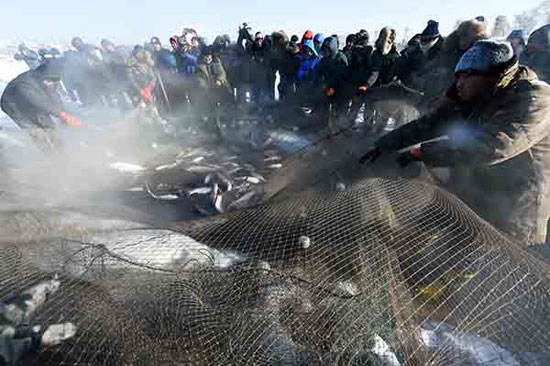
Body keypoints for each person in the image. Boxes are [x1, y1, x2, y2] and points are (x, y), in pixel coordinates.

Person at [360, 40, 550, 246]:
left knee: (479, 261)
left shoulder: (534, 98)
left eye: (466, 76)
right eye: (458, 76)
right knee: (430, 234)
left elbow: (493, 146)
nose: (458, 83)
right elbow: (431, 122)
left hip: (514, 204)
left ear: (491, 74)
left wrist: (422, 153)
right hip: (478, 187)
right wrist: (385, 144)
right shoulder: (476, 94)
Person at [0, 61, 83, 150]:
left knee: (49, 125)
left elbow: (53, 95)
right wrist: (62, 115)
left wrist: (63, 113)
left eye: (52, 81)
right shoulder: (25, 83)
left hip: (34, 101)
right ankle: (49, 153)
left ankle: (60, 148)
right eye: (48, 81)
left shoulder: (50, 78)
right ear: (41, 76)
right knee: (35, 130)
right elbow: (37, 101)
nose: (50, 83)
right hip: (13, 105)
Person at [398, 20, 445, 94]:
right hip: (411, 89)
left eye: (427, 40)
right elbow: (405, 67)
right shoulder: (414, 51)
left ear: (435, 39)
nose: (424, 43)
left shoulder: (444, 52)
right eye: (422, 40)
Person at [318, 36, 349, 130]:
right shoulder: (325, 59)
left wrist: (333, 87)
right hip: (328, 87)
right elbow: (320, 71)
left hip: (339, 89)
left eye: (327, 50)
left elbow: (342, 76)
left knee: (338, 110)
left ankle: (340, 128)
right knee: (324, 106)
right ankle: (324, 125)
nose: (325, 52)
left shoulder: (341, 58)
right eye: (324, 50)